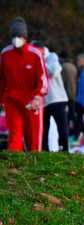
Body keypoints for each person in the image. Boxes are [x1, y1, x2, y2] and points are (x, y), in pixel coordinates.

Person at [0, 17, 48, 152]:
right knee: (14, 135)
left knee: (33, 138)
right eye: (14, 36)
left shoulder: (35, 53)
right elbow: (2, 78)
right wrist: (1, 98)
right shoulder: (5, 54)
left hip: (32, 100)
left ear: (25, 36)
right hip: (12, 100)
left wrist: (38, 95)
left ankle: (35, 166)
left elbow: (43, 78)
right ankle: (14, 166)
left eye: (19, 36)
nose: (16, 39)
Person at [42, 47, 69, 152]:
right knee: (44, 129)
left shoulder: (52, 57)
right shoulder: (34, 59)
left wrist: (39, 64)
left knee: (62, 127)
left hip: (58, 99)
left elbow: (52, 72)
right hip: (44, 101)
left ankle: (64, 150)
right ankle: (44, 150)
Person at [60, 51, 77, 136]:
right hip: (73, 94)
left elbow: (62, 82)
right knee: (72, 114)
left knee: (65, 115)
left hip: (65, 95)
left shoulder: (63, 67)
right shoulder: (73, 66)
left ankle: (67, 132)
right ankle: (74, 132)